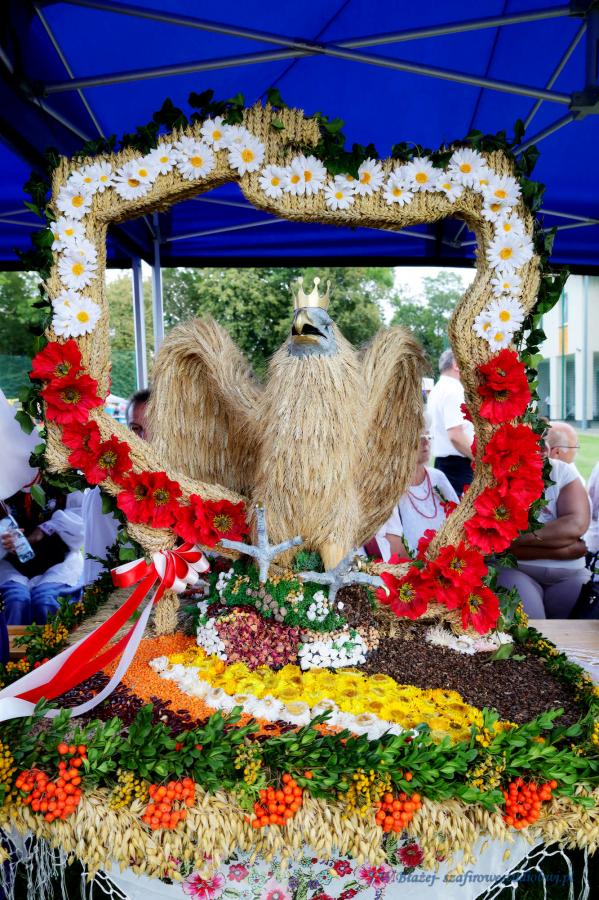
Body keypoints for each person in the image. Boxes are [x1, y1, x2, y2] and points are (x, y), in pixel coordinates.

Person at [496, 453, 590, 619]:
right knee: (533, 627)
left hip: (571, 574)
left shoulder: (560, 470)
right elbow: (497, 544)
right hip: (517, 571)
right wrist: (564, 551)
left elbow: (575, 525)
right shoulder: (495, 473)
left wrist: (517, 539)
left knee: (585, 624)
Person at [372, 427, 460, 561]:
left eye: (428, 436)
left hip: (451, 561)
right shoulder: (388, 489)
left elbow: (459, 520)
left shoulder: (437, 477)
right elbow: (396, 551)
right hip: (414, 569)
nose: (426, 442)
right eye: (419, 438)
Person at [0, 487, 84, 625]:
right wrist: (3, 539)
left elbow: (81, 518)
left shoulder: (64, 479)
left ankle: (56, 638)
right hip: (10, 566)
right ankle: (11, 639)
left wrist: (45, 529)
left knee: (45, 600)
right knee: (16, 600)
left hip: (59, 561)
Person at [426, 348, 474, 497]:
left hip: (444, 465)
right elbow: (455, 435)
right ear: (456, 364)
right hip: (458, 468)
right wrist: (482, 459)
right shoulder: (453, 390)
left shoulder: (437, 390)